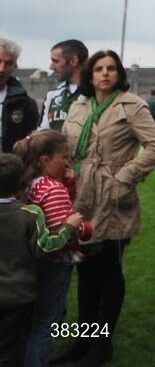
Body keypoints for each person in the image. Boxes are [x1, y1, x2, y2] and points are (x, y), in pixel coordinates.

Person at [58, 50, 155, 367]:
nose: (105, 74)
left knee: (108, 270)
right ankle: (84, 342)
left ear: (119, 74)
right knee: (85, 271)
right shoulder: (79, 106)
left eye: (111, 69)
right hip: (80, 196)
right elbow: (65, 144)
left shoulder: (131, 105)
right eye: (99, 69)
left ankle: (102, 346)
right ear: (89, 75)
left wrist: (125, 177)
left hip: (113, 197)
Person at [13, 130, 92, 367]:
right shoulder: (52, 189)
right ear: (45, 160)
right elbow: (62, 230)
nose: (67, 162)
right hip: (55, 264)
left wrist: (67, 183)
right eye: (63, 157)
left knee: (32, 322)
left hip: (30, 261)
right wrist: (85, 229)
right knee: (47, 324)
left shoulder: (28, 184)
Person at [0, 153, 80, 367]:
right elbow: (45, 247)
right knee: (15, 347)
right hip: (18, 296)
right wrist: (69, 227)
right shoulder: (28, 214)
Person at [0, 37, 39, 153]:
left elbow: (30, 142)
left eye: (8, 63)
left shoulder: (24, 103)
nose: (2, 69)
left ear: (14, 67)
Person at [41, 39, 89, 131]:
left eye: (56, 61)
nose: (51, 67)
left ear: (73, 61)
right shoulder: (52, 95)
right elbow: (43, 133)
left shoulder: (96, 94)